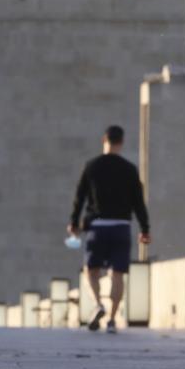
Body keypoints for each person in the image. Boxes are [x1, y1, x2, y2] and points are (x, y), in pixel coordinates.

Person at [67, 125, 151, 334]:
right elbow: (139, 202)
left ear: (103, 140)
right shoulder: (130, 169)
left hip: (97, 226)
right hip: (121, 227)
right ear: (121, 142)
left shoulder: (91, 166)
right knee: (117, 274)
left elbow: (80, 198)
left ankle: (98, 304)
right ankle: (112, 319)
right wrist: (145, 228)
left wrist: (74, 223)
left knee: (91, 270)